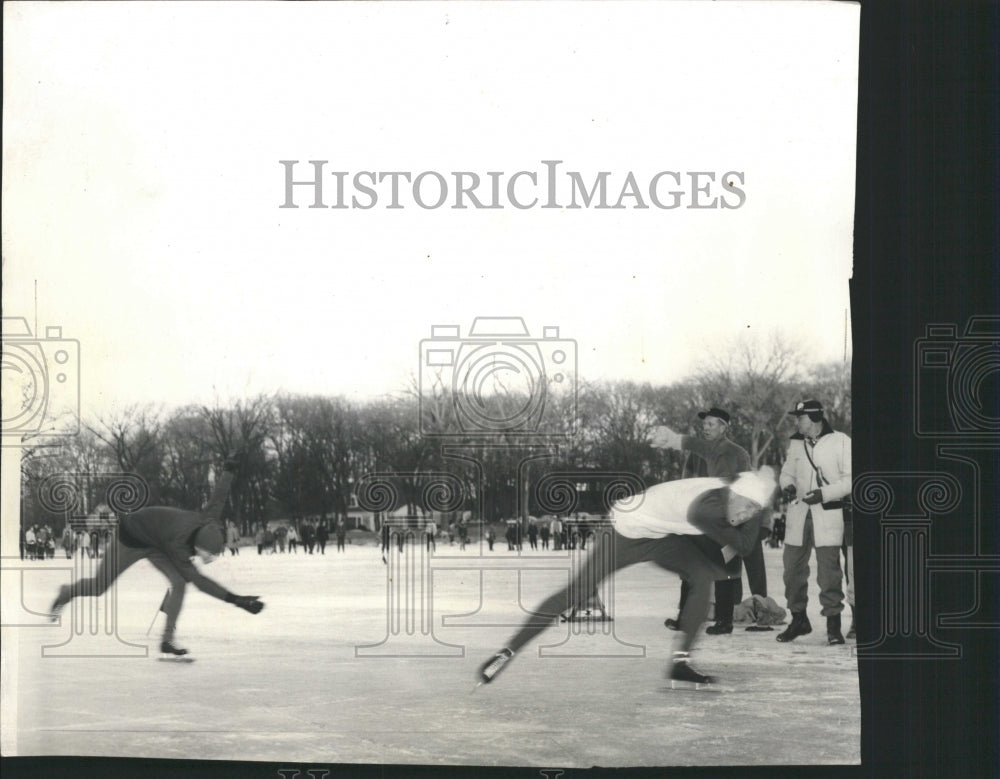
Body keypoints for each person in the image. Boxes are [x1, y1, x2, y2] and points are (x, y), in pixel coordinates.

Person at [479, 469, 777, 688]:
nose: (747, 514)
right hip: (625, 531)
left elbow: (742, 488)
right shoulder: (706, 509)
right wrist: (762, 514)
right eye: (747, 507)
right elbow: (746, 545)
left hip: (661, 536)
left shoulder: (730, 486)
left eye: (753, 510)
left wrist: (763, 484)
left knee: (702, 577)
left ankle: (680, 663)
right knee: (579, 590)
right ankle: (508, 650)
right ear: (735, 495)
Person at [49, 456, 265, 657]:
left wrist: (228, 471)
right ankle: (66, 593)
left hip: (158, 541)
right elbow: (200, 581)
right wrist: (236, 600)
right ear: (197, 546)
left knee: (179, 584)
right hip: (131, 538)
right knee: (99, 587)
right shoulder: (178, 545)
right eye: (202, 556)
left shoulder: (207, 520)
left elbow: (219, 497)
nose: (200, 559)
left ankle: (167, 640)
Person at [650, 407, 760, 635]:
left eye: (711, 424)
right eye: (705, 425)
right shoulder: (696, 454)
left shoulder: (738, 454)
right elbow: (685, 484)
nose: (706, 428)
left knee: (725, 568)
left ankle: (724, 620)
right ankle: (685, 617)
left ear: (723, 427)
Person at [776, 399, 852, 645]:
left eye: (800, 417)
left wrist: (824, 494)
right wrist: (786, 485)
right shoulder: (796, 443)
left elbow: (852, 479)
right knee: (792, 571)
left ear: (815, 418)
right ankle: (799, 619)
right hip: (799, 515)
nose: (797, 421)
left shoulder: (841, 441)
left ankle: (833, 626)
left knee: (829, 574)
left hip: (827, 514)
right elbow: (787, 471)